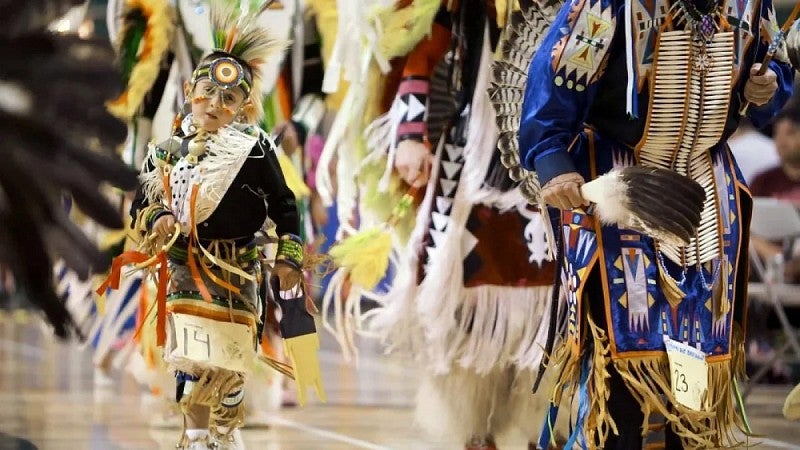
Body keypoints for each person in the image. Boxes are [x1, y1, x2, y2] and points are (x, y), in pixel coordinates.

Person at [519, 0, 793, 448]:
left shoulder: (748, 5)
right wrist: (554, 163)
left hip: (708, 193)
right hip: (624, 189)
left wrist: (769, 86)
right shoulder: (608, 7)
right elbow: (553, 84)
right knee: (624, 379)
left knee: (697, 380)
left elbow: (773, 69)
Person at [333, 1, 559, 448]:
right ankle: (476, 433)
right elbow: (421, 50)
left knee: (551, 318)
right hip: (472, 166)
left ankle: (541, 430)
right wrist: (410, 135)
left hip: (551, 165)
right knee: (464, 322)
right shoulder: (461, 10)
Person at [126, 5, 311, 448]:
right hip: (186, 269)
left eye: (228, 99)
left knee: (229, 363)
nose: (215, 105)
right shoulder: (167, 151)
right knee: (190, 357)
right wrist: (159, 219)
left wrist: (289, 254)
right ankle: (194, 435)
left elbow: (285, 205)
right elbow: (141, 203)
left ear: (245, 105)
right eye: (207, 92)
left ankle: (224, 431)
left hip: (240, 270)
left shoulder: (255, 149)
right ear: (190, 90)